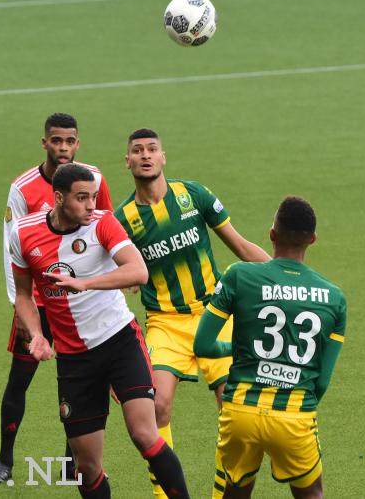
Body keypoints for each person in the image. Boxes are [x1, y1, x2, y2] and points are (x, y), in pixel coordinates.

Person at [9, 163, 191, 498]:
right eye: (82, 198)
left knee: (144, 435)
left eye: (93, 196)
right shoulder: (23, 233)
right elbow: (23, 295)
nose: (91, 205)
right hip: (74, 359)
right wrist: (35, 333)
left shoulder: (102, 223)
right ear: (59, 197)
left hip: (120, 342)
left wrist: (85, 284)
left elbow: (138, 271)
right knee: (87, 467)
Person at [113, 128, 270, 498]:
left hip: (214, 315)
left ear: (163, 157)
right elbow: (120, 275)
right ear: (128, 162)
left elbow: (241, 246)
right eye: (138, 151)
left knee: (234, 408)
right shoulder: (123, 219)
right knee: (157, 407)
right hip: (165, 322)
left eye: (152, 149)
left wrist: (285, 276)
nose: (146, 155)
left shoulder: (193, 195)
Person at [193, 196, 347, 499]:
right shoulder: (334, 297)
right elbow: (323, 381)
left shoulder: (239, 275)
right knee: (312, 493)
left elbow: (203, 344)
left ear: (272, 234)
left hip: (240, 411)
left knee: (235, 492)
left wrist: (237, 351)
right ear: (312, 240)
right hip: (295, 414)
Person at [0, 113, 114, 483]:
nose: (63, 148)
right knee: (19, 379)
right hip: (38, 305)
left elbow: (106, 227)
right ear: (44, 142)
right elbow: (10, 249)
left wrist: (107, 284)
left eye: (70, 141)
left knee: (76, 380)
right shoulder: (23, 188)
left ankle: (69, 464)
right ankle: (4, 462)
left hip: (79, 304)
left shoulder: (93, 178)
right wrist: (19, 305)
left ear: (78, 143)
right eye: (56, 141)